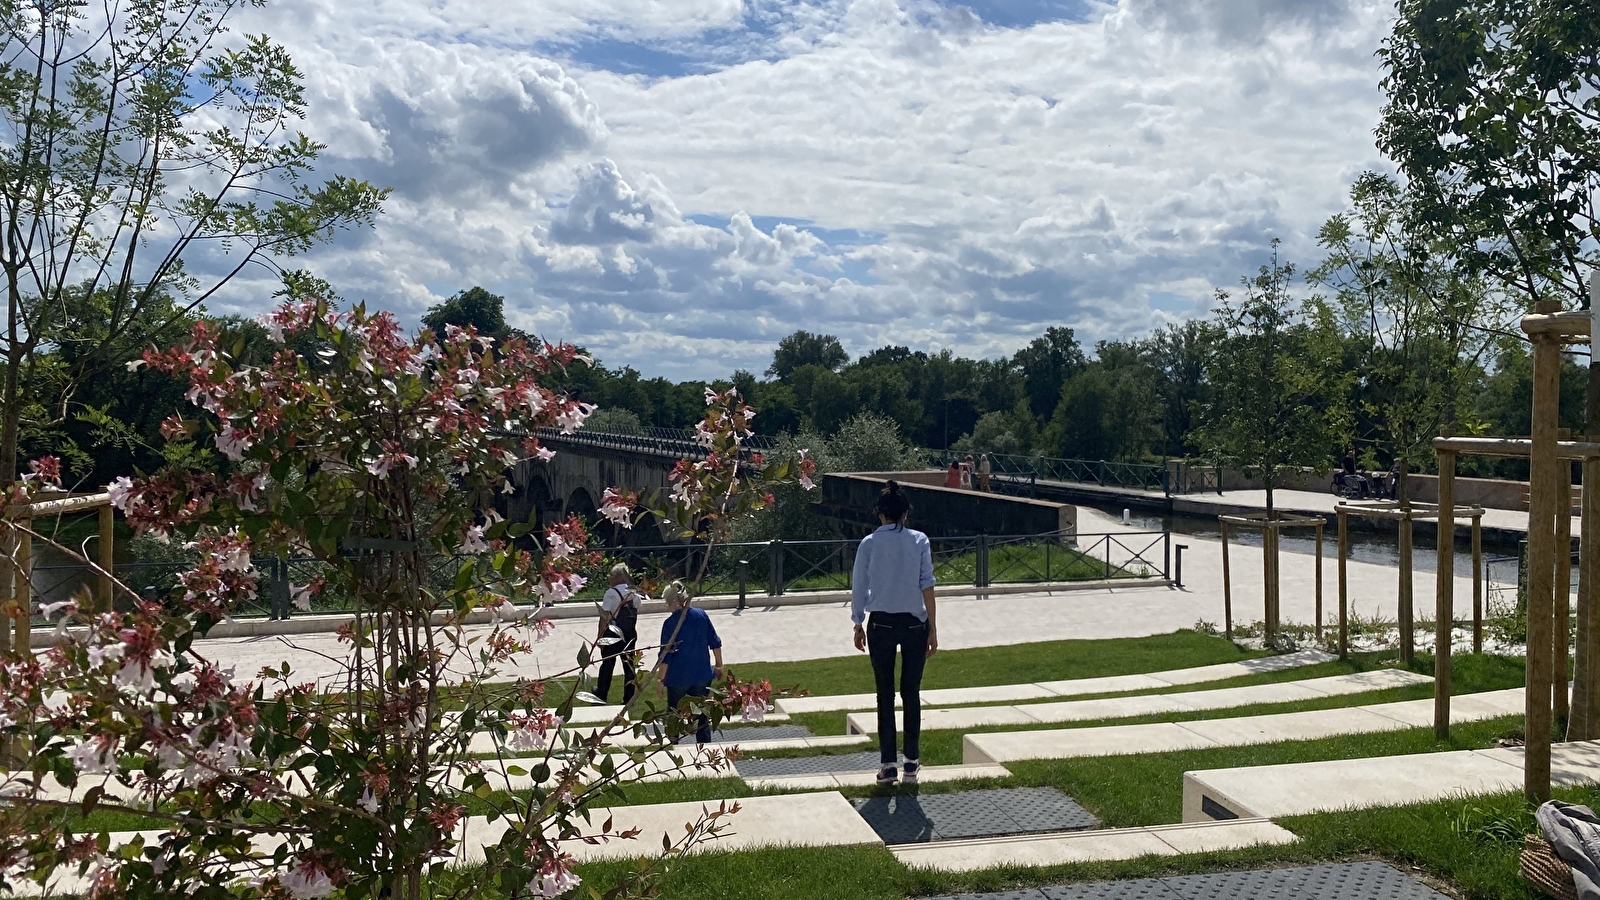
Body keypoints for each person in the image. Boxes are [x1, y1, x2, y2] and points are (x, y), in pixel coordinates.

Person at [851, 480, 938, 786]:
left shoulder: (870, 543)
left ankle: (888, 764)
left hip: (882, 623)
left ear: (880, 514)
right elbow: (927, 583)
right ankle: (911, 761)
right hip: (914, 622)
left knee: (884, 693)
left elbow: (859, 585)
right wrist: (933, 628)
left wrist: (857, 621)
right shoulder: (919, 540)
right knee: (911, 692)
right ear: (905, 514)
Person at [655, 580, 722, 745]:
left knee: (674, 713)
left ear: (670, 602)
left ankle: (673, 743)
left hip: (678, 677)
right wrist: (719, 664)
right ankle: (705, 746)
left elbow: (666, 655)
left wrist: (660, 680)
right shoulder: (701, 615)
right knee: (703, 714)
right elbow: (715, 642)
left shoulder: (670, 624)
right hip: (702, 674)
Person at [595, 564, 642, 704]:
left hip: (613, 634)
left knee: (607, 664)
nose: (610, 578)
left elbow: (604, 616)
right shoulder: (634, 593)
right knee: (629, 665)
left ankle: (601, 694)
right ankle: (629, 697)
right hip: (630, 634)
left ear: (617, 577)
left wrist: (600, 636)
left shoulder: (611, 593)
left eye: (611, 576)